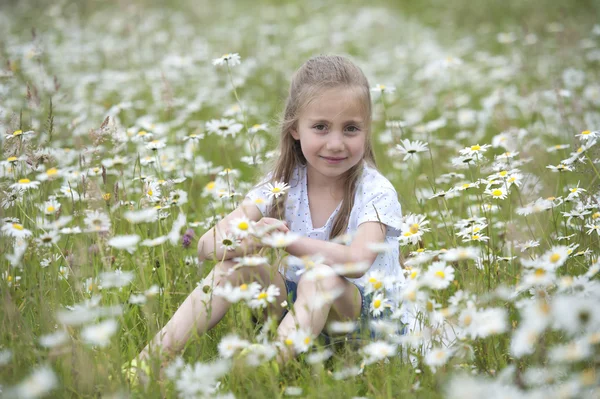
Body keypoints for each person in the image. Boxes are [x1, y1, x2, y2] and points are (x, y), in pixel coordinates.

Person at [127, 54, 404, 383]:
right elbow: (206, 246)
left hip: (364, 324)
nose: (335, 143)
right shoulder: (283, 182)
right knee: (236, 266)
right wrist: (248, 239)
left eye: (351, 129)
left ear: (367, 130)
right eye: (320, 127)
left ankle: (266, 367)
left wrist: (286, 242)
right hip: (296, 311)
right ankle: (150, 361)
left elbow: (357, 262)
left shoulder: (376, 191)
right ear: (295, 129)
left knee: (321, 279)